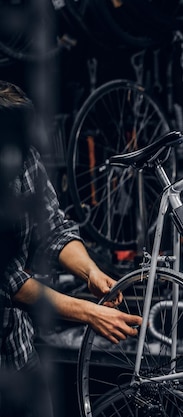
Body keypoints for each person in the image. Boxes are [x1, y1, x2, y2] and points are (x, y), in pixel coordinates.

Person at [0, 80, 143, 416]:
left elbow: (53, 228)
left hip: (17, 353)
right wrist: (89, 312)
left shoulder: (24, 158)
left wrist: (90, 272)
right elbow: (8, 282)